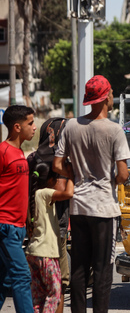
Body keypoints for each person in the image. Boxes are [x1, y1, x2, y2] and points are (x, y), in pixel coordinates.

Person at [53, 75, 130, 313]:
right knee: (102, 269)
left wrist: (76, 175)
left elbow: (57, 164)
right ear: (107, 96)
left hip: (78, 206)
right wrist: (111, 181)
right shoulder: (114, 130)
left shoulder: (71, 126)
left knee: (79, 266)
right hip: (104, 208)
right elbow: (123, 173)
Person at [0, 105, 37, 313]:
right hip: (5, 227)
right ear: (17, 127)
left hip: (18, 227)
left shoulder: (20, 151)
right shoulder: (3, 151)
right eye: (30, 123)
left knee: (4, 282)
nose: (34, 127)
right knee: (22, 276)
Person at [26, 166, 74, 313]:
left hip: (33, 252)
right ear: (50, 180)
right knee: (55, 294)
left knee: (39, 296)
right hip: (46, 254)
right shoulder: (45, 193)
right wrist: (72, 174)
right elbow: (68, 193)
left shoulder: (32, 196)